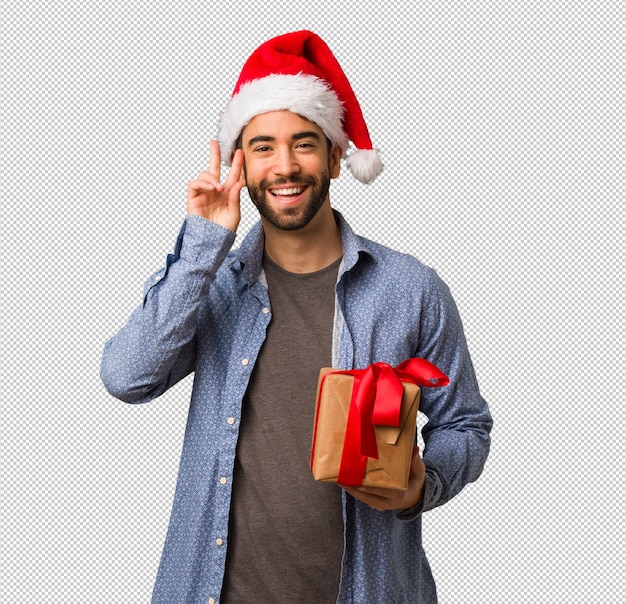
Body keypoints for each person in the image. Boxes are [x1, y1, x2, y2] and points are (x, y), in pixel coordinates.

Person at [100, 30, 492, 604]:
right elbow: (126, 376)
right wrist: (204, 242)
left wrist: (420, 487)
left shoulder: (411, 289)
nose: (284, 166)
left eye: (304, 143)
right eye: (262, 147)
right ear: (241, 164)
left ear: (335, 156)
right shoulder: (212, 285)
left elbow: (466, 425)